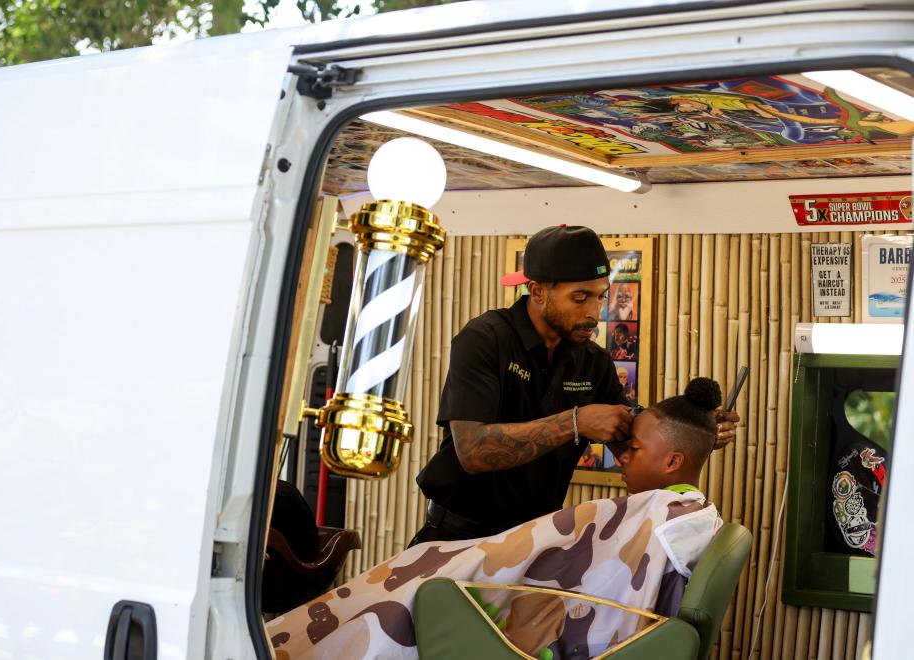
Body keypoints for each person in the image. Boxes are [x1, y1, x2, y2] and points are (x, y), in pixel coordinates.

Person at [265, 378, 726, 659]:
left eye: (634, 448)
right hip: (470, 531)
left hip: (497, 575)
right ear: (541, 290)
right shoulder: (688, 514)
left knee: (412, 591)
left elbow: (601, 595)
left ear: (671, 464)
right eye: (582, 297)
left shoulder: (660, 517)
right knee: (426, 561)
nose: (621, 454)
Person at [411, 225, 739, 544]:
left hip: (534, 538)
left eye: (600, 297)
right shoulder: (486, 340)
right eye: (580, 298)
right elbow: (473, 451)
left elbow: (628, 437)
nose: (594, 313)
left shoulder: (594, 363)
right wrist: (576, 422)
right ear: (538, 291)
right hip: (458, 536)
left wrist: (695, 432)